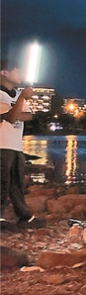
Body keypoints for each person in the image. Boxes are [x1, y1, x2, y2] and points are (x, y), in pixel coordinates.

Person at [0, 58, 35, 226]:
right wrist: (20, 100)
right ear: (4, 72)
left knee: (17, 183)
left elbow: (28, 115)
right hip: (2, 145)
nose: (21, 72)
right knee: (2, 182)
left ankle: (24, 215)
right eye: (16, 69)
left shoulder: (15, 94)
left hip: (15, 145)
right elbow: (13, 117)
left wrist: (14, 110)